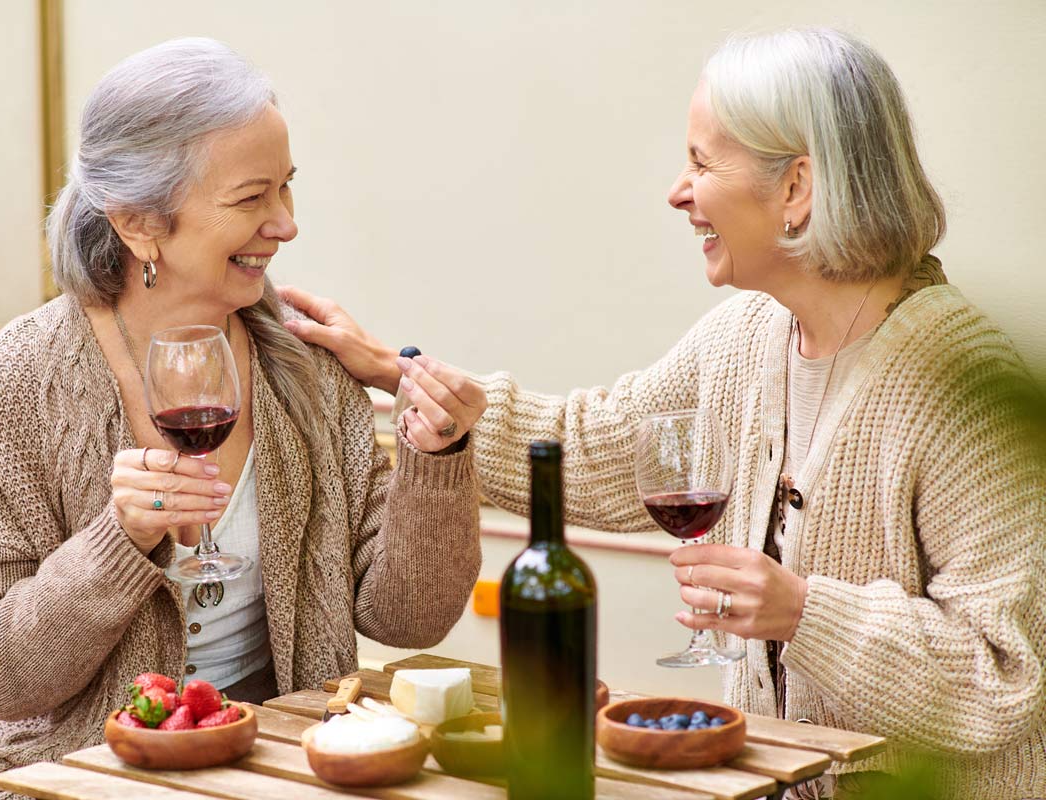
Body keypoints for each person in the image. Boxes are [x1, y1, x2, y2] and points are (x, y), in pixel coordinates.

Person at [279, 28, 1046, 800]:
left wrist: (803, 612)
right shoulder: (748, 335)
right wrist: (397, 372)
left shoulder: (963, 383)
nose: (678, 191)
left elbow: (1004, 675)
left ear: (796, 190)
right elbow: (599, 448)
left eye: (703, 163)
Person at [0, 38, 486, 799]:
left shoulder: (307, 364)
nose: (286, 224)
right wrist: (119, 543)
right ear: (140, 224)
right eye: (251, 199)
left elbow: (408, 617)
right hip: (42, 764)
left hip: (264, 757)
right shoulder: (14, 383)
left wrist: (435, 455)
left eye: (287, 188)